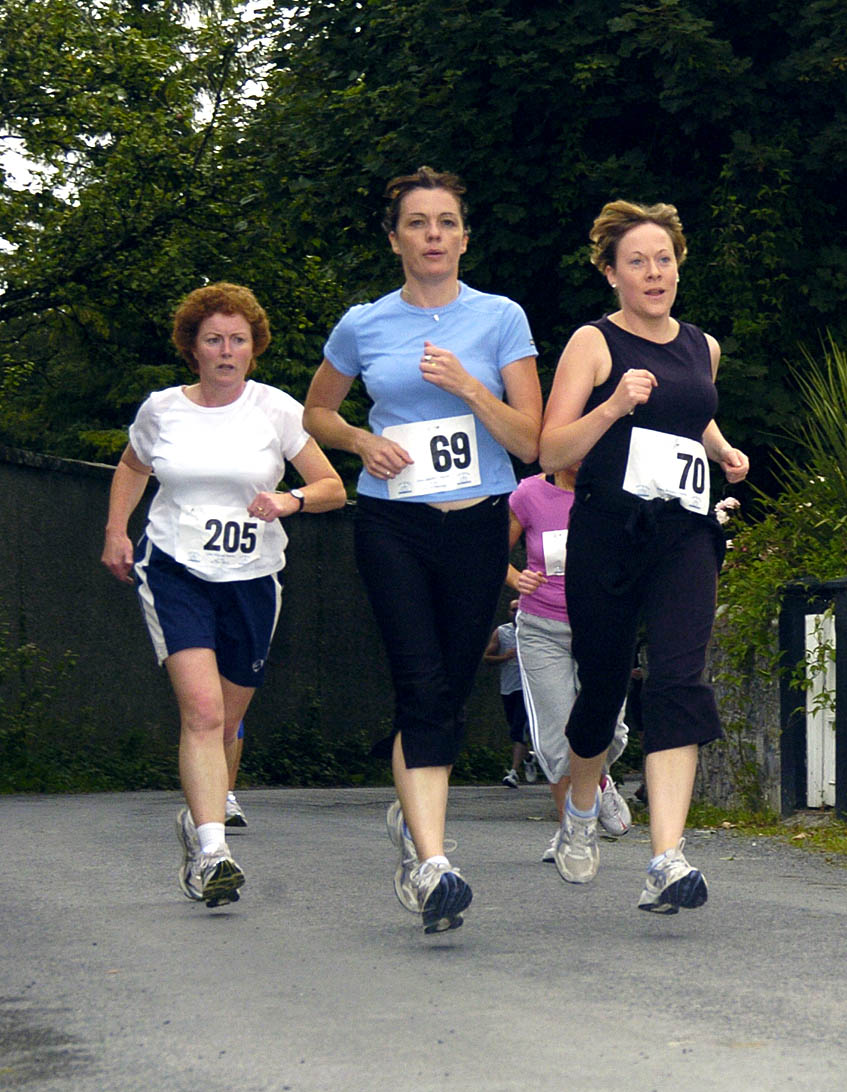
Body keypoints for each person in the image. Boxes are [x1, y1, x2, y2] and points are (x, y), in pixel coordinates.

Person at [303, 166, 542, 934]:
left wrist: (473, 389)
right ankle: (434, 864)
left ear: (465, 237)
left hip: (477, 524)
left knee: (449, 682)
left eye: (446, 222)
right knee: (419, 678)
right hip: (392, 523)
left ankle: (417, 828)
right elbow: (316, 412)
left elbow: (531, 440)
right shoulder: (364, 324)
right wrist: (361, 439)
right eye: (418, 222)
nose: (433, 235)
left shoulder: (501, 317)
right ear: (396, 238)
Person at [101, 282, 346, 907]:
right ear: (194, 347)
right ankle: (213, 851)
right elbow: (133, 466)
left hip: (253, 579)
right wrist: (116, 532)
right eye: (214, 339)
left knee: (231, 721)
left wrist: (289, 499)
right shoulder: (162, 410)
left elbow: (332, 487)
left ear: (253, 348)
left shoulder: (276, 411)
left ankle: (199, 820)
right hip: (175, 569)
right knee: (204, 713)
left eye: (238, 340)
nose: (226, 350)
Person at [538, 200, 749, 912]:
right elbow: (551, 449)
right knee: (600, 689)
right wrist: (611, 407)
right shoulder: (594, 345)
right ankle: (578, 809)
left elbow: (691, 412)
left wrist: (721, 450)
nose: (654, 272)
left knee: (679, 679)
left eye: (664, 259)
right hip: (608, 534)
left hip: (685, 534)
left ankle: (666, 856)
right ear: (611, 273)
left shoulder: (702, 345)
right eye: (637, 261)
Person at [506, 466, 632, 859]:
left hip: (603, 624)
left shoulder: (616, 488)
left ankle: (598, 781)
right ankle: (572, 836)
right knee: (558, 738)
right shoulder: (529, 494)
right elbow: (486, 549)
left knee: (608, 731)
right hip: (544, 627)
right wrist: (516, 578)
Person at [483, 615, 531, 788]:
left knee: (519, 729)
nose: (516, 612)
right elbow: (487, 657)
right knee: (514, 728)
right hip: (508, 688)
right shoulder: (502, 632)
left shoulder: (534, 631)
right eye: (513, 609)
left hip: (528, 689)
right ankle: (528, 756)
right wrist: (505, 656)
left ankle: (513, 773)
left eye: (519, 608)